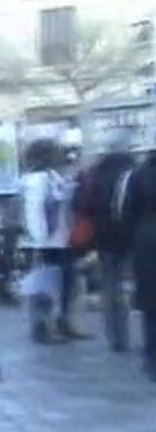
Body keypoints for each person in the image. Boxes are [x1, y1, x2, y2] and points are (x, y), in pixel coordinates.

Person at [71, 128, 136, 352]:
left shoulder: (93, 173)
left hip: (105, 237)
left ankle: (116, 336)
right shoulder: (135, 170)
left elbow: (79, 205)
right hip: (135, 236)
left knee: (111, 286)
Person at [20, 138, 90, 343]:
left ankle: (64, 321)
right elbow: (35, 212)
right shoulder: (36, 180)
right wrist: (41, 239)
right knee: (45, 285)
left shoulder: (53, 177)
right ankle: (42, 327)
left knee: (67, 283)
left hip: (62, 239)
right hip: (48, 242)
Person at [124, 144, 156, 380]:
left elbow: (127, 211)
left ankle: (152, 358)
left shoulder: (139, 173)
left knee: (150, 303)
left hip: (146, 239)